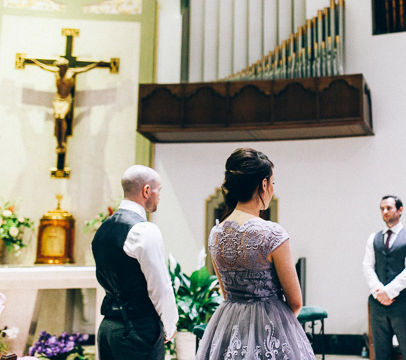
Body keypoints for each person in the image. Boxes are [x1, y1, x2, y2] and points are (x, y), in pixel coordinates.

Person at [195, 147, 314, 360]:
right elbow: (295, 301)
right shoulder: (272, 233)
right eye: (273, 183)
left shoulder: (216, 233)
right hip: (270, 326)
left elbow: (225, 292)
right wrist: (281, 328)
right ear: (264, 184)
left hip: (229, 325)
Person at [92, 165, 178, 360]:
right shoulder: (144, 230)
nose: (160, 196)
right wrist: (170, 325)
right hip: (137, 330)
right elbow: (159, 286)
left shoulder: (103, 229)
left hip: (107, 328)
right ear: (146, 190)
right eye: (159, 190)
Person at [363, 195, 406, 360]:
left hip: (402, 304)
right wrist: (378, 292)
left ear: (400, 210)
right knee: (381, 354)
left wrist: (389, 292)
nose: (385, 212)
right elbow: (367, 266)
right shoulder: (373, 238)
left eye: (389, 208)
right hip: (377, 305)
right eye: (382, 209)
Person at [30, 57, 100, 154]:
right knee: (57, 117)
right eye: (59, 67)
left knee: (61, 117)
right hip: (58, 99)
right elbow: (44, 67)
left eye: (61, 66)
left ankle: (62, 142)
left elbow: (85, 69)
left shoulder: (71, 73)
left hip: (66, 99)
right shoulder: (56, 73)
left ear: (65, 66)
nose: (60, 69)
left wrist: (96, 64)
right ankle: (59, 143)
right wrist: (35, 62)